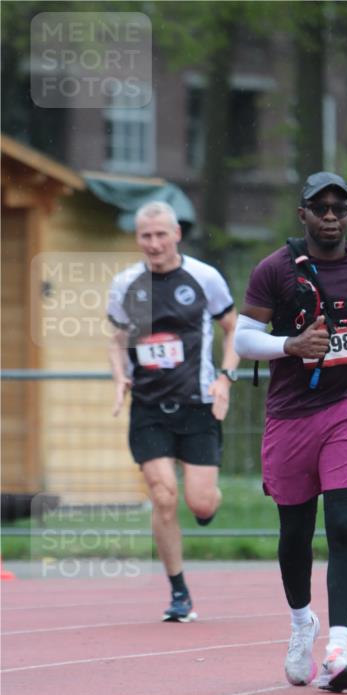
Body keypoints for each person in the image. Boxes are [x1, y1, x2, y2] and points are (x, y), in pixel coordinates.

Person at [234, 171, 347, 693]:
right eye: (319, 207)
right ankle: (300, 622)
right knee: (295, 534)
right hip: (289, 416)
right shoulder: (274, 271)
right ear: (302, 213)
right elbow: (243, 338)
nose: (330, 215)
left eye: (340, 207)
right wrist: (290, 346)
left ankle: (338, 648)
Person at [107, 201, 239, 622]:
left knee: (198, 503)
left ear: (177, 234)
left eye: (161, 235)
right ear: (137, 239)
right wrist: (119, 376)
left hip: (198, 404)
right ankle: (179, 591)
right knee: (163, 496)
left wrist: (225, 378)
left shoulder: (204, 278)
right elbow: (116, 339)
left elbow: (233, 327)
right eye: (146, 236)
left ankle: (209, 504)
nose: (154, 243)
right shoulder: (126, 284)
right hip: (148, 406)